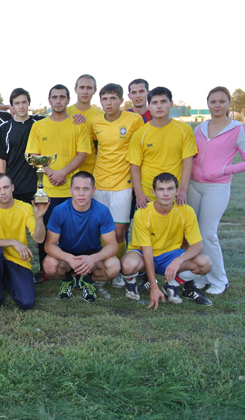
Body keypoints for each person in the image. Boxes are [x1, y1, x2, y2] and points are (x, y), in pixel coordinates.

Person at [188, 86, 245, 295]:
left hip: (217, 186)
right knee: (194, 234)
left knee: (208, 233)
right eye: (213, 101)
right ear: (207, 104)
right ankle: (200, 275)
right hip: (193, 185)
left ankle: (219, 280)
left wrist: (225, 170)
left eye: (221, 101)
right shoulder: (199, 128)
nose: (217, 105)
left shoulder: (238, 129)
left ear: (229, 104)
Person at [25, 84, 92, 284]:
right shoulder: (39, 126)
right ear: (49, 100)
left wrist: (63, 172)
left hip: (73, 190)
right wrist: (51, 172)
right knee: (45, 231)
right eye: (55, 97)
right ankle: (45, 269)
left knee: (75, 232)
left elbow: (82, 154)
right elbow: (33, 154)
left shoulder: (78, 124)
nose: (58, 101)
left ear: (68, 100)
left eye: (62, 97)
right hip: (46, 189)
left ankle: (77, 269)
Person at [120, 173, 212, 308]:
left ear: (177, 191)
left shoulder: (186, 211)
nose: (165, 193)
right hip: (144, 256)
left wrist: (178, 260)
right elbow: (147, 252)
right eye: (161, 189)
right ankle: (131, 284)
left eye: (170, 189)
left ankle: (172, 285)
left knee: (205, 263)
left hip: (170, 256)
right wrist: (154, 286)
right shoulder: (143, 212)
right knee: (128, 265)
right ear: (154, 192)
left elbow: (198, 245)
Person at [89, 83, 144, 287]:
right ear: (100, 101)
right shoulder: (95, 122)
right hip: (100, 183)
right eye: (105, 99)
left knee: (119, 232)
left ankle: (119, 270)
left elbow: (139, 151)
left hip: (123, 184)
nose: (109, 103)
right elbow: (96, 147)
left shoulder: (134, 120)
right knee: (100, 231)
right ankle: (104, 268)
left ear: (121, 100)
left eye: (113, 98)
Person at [43, 171, 120, 302]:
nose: (81, 193)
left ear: (93, 190)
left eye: (86, 189)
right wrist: (69, 258)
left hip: (92, 256)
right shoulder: (59, 210)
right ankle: (68, 279)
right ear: (70, 190)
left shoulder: (102, 211)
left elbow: (112, 245)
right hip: (67, 257)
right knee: (49, 265)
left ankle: (88, 280)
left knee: (114, 266)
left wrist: (93, 258)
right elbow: (49, 245)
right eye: (77, 188)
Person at [0, 173, 47, 311]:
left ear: (12, 187)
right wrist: (13, 242)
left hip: (18, 260)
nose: (3, 192)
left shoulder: (25, 208)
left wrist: (39, 218)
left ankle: (5, 279)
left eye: (6, 187)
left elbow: (39, 238)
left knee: (26, 302)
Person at [129, 87, 197, 207]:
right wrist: (139, 194)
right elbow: (135, 166)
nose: (159, 106)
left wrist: (182, 189)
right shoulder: (139, 134)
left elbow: (187, 161)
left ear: (171, 104)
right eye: (155, 103)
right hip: (148, 195)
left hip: (173, 194)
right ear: (149, 106)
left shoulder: (185, 130)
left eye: (163, 102)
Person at [0, 87, 39, 203]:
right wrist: (4, 184)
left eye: (24, 102)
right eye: (17, 103)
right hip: (13, 185)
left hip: (35, 185)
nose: (21, 106)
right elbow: (2, 160)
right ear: (12, 106)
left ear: (29, 103)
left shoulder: (38, 125)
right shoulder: (5, 128)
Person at [67, 74, 104, 174]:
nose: (85, 91)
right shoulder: (65, 113)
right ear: (75, 89)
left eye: (89, 88)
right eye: (82, 87)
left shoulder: (101, 116)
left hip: (91, 171)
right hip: (66, 170)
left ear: (95, 91)